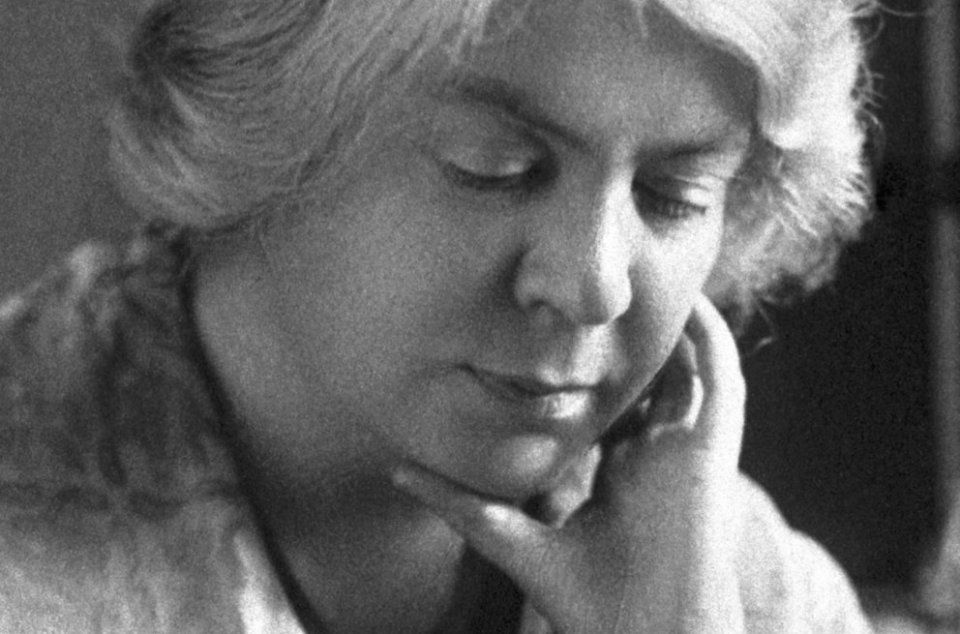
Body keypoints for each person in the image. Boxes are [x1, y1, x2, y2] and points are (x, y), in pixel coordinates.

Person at [0, 0, 878, 631]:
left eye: (674, 195)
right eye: (493, 167)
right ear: (261, 132)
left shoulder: (749, 592)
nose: (593, 287)